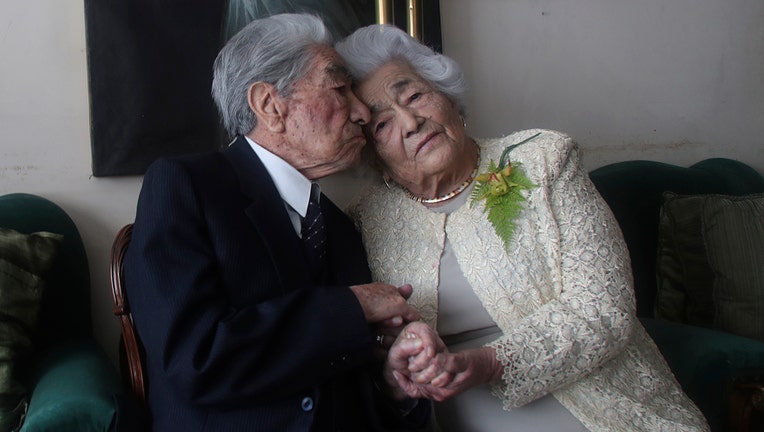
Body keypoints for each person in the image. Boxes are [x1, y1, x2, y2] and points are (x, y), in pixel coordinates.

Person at [335, 24, 710, 431]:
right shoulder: (366, 219)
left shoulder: (543, 160)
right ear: (372, 155)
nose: (410, 122)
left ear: (448, 97)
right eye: (382, 125)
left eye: (414, 96)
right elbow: (370, 353)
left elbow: (604, 309)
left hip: (596, 406)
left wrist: (486, 364)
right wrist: (398, 367)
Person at [124, 14, 433, 431]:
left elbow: (350, 382)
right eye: (340, 88)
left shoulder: (338, 226)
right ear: (270, 106)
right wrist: (354, 305)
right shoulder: (186, 188)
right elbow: (194, 360)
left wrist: (395, 382)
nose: (362, 112)